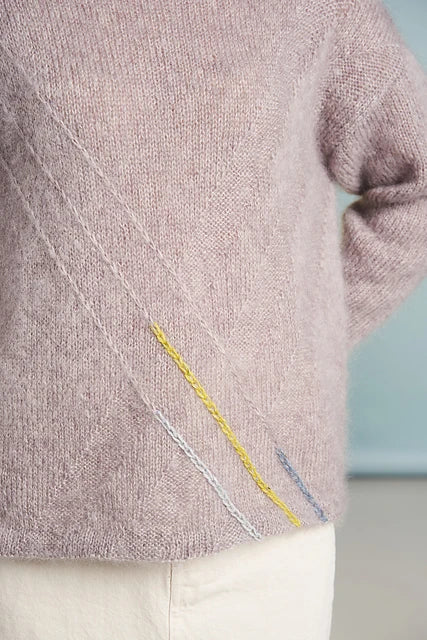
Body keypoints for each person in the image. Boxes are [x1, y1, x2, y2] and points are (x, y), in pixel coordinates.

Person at [0, 0, 425, 638]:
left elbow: (416, 179)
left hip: (261, 527)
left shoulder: (319, 13)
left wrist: (299, 339)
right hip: (34, 533)